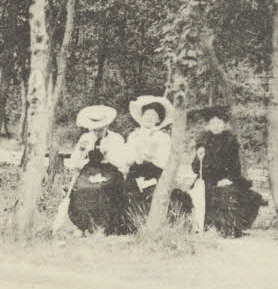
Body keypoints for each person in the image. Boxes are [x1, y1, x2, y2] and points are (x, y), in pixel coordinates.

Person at [191, 109, 265, 237]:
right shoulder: (203, 141)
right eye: (213, 123)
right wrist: (199, 157)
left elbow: (235, 164)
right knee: (204, 193)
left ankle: (230, 227)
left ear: (224, 125)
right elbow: (196, 168)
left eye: (219, 123)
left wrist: (230, 178)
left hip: (226, 176)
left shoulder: (230, 141)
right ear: (208, 126)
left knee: (239, 194)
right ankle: (209, 226)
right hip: (207, 178)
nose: (216, 126)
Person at [123, 95, 193, 230]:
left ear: (158, 120)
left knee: (157, 194)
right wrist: (136, 157)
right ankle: (135, 225)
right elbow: (127, 158)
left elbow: (165, 160)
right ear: (141, 117)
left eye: (153, 115)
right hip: (136, 172)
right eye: (146, 115)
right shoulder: (134, 136)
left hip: (156, 173)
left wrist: (152, 157)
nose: (149, 118)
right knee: (130, 195)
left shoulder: (163, 137)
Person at [65, 105, 130, 235]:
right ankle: (84, 225)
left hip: (110, 169)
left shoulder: (116, 138)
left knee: (102, 188)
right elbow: (73, 163)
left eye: (100, 129)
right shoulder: (85, 138)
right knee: (82, 188)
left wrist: (108, 154)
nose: (97, 132)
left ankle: (104, 226)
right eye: (94, 129)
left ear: (107, 126)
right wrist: (83, 152)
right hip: (90, 168)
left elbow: (123, 162)